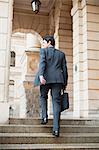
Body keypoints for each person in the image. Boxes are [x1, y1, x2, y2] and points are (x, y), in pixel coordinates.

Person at [38, 35, 68, 137]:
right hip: (58, 80)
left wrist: (41, 76)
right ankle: (56, 129)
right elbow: (65, 70)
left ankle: (44, 117)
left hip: (45, 79)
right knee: (56, 102)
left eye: (44, 43)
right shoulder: (61, 54)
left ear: (49, 42)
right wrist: (64, 84)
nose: (43, 45)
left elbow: (42, 63)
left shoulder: (43, 51)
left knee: (43, 96)